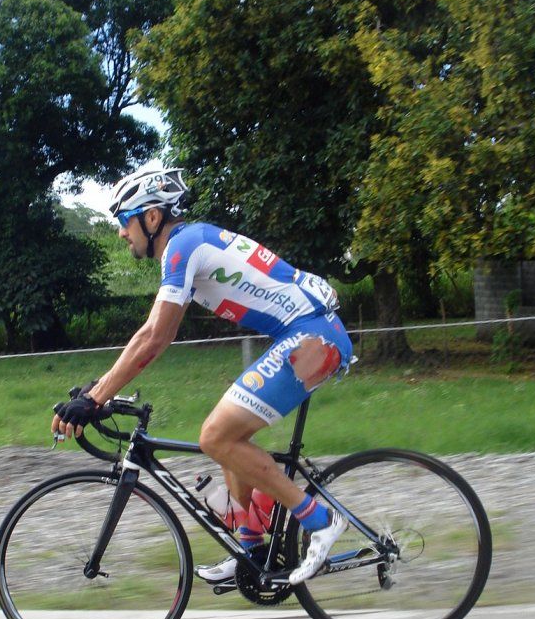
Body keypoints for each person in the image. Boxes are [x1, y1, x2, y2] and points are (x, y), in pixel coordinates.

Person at [51, 169, 354, 587]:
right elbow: (150, 333)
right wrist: (97, 390)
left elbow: (156, 337)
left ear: (152, 218)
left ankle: (320, 521)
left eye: (125, 220)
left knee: (216, 436)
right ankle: (252, 551)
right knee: (227, 439)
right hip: (306, 334)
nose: (122, 233)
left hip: (315, 337)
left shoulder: (183, 247)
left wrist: (97, 397)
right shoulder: (189, 245)